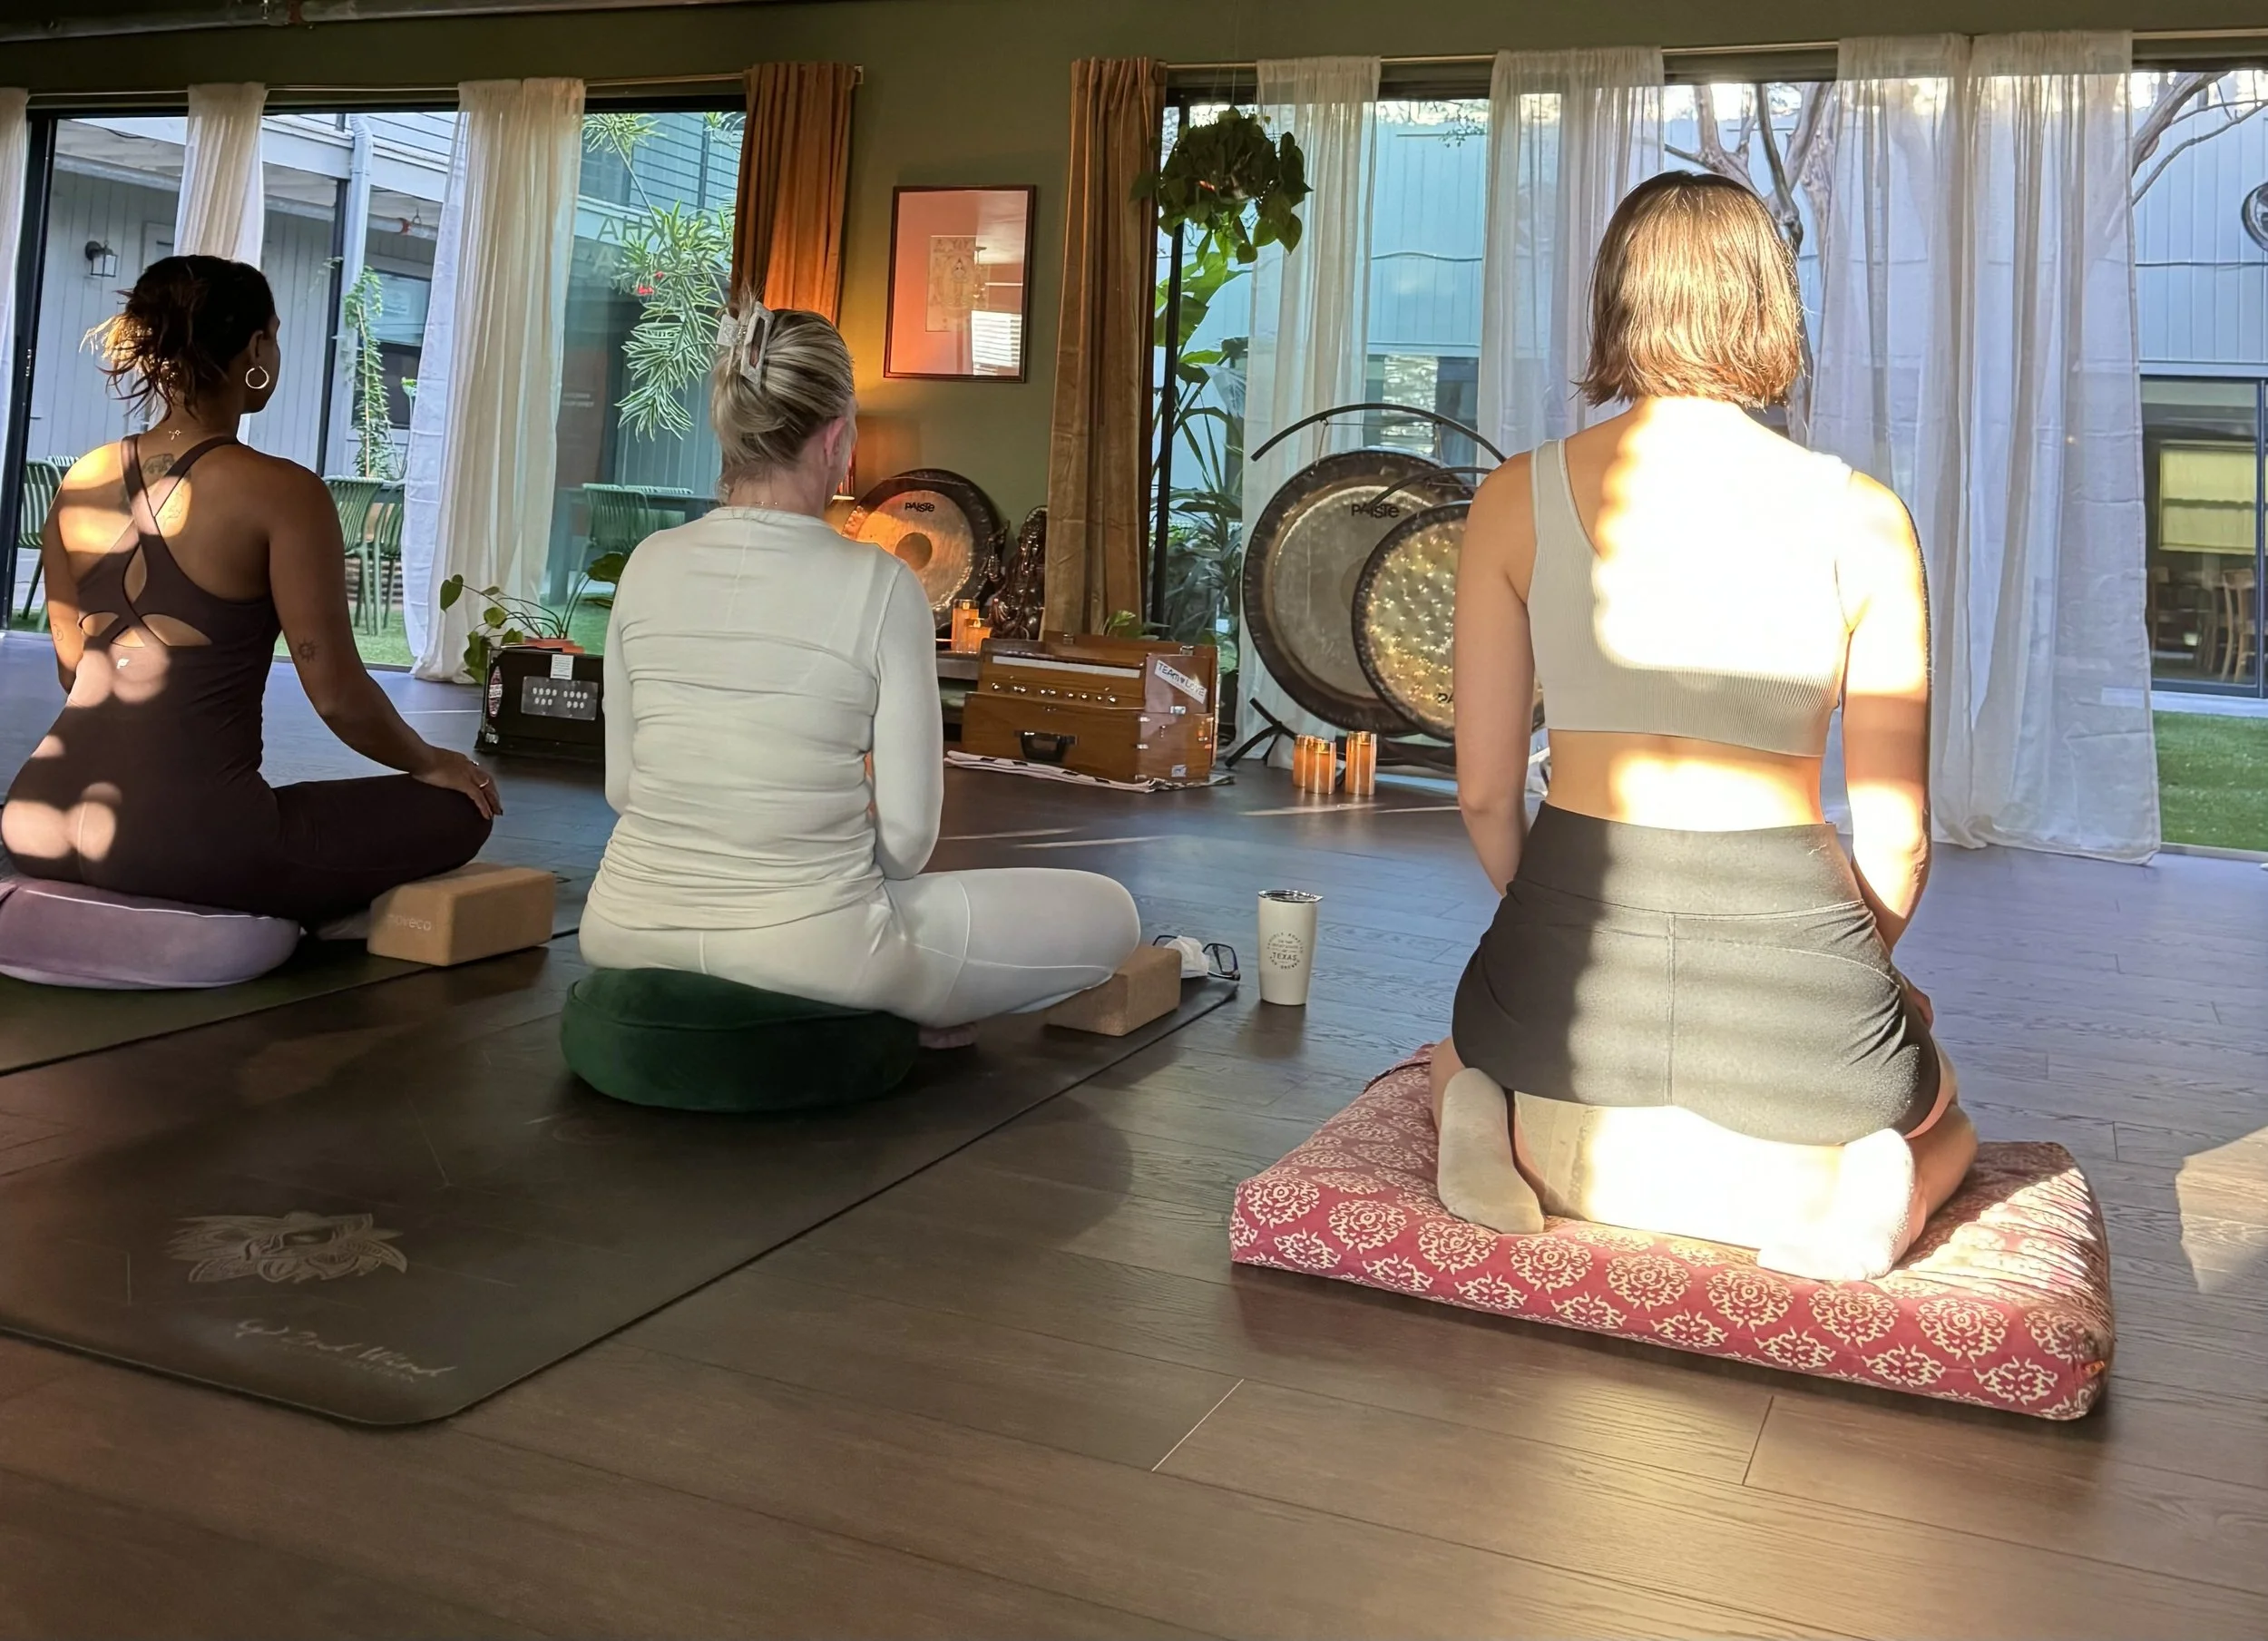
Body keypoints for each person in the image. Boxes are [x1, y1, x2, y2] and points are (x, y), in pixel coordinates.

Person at [1432, 172, 1976, 1282]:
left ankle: (1477, 1121)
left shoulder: (1513, 499)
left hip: (1571, 935)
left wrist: (1561, 912)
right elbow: (1899, 840)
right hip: (1789, 934)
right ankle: (1889, 1183)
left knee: (1456, 1052)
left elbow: (1486, 792)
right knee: (1940, 1108)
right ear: (1768, 307)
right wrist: (1850, 967)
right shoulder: (1864, 517)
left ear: (1614, 305)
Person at [577, 301, 1139, 1029]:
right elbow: (906, 845)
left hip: (623, 929)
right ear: (837, 437)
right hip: (819, 953)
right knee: (1111, 911)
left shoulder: (647, 564)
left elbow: (625, 787)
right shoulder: (883, 584)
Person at [3, 256, 496, 924]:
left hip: (35, 818)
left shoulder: (83, 478)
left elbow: (74, 671)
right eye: (277, 333)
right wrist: (432, 759)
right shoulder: (284, 492)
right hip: (184, 845)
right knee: (456, 809)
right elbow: (338, 695)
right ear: (258, 348)